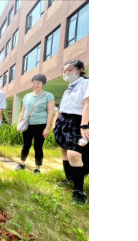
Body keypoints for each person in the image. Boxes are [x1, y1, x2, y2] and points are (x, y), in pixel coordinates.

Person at [53, 59, 89, 204]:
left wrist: (84, 126)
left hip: (78, 121)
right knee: (63, 149)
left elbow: (88, 104)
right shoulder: (69, 87)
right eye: (64, 71)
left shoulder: (86, 83)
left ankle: (79, 192)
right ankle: (69, 178)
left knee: (74, 153)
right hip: (63, 121)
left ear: (80, 69)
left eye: (70, 70)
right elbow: (62, 107)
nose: (66, 73)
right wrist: (56, 122)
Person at [16, 74, 55, 175]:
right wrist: (19, 124)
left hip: (41, 125)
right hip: (27, 125)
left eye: (38, 83)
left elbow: (51, 112)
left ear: (43, 84)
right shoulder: (27, 96)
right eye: (33, 83)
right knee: (26, 145)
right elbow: (23, 111)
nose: (35, 85)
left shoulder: (48, 96)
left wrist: (47, 128)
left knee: (38, 147)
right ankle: (22, 163)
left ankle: (37, 168)